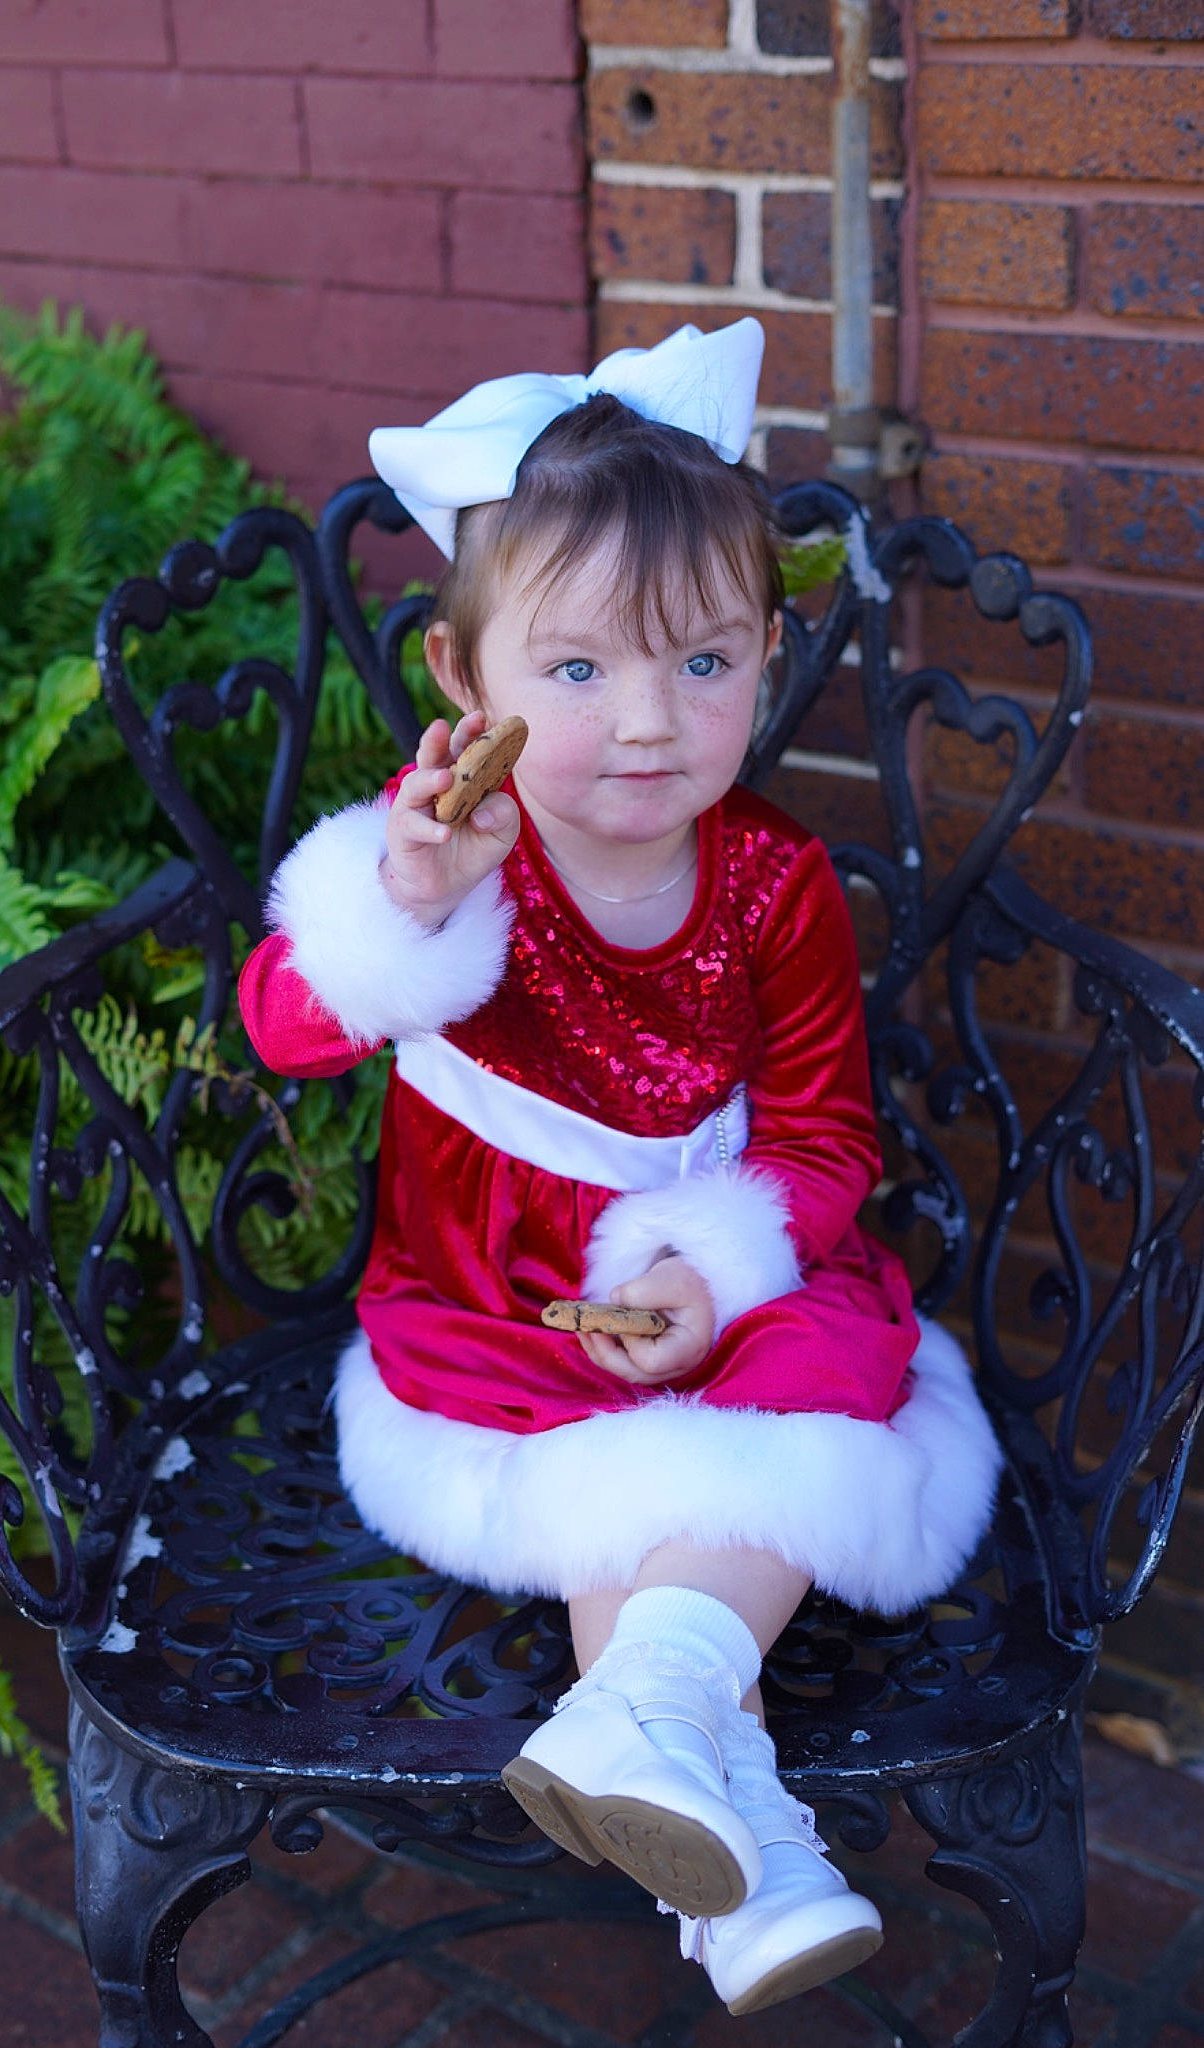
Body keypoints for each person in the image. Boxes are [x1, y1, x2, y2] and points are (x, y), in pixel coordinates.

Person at [238, 320, 1002, 2018]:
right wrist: (410, 900)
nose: (650, 725)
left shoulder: (774, 881)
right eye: (576, 672)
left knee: (819, 1359)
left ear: (766, 656)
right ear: (469, 685)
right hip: (498, 1288)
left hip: (691, 1266)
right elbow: (285, 1025)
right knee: (627, 1465)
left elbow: (817, 1136)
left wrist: (708, 1270)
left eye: (704, 664)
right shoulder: (440, 853)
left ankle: (650, 1734)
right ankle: (751, 1846)